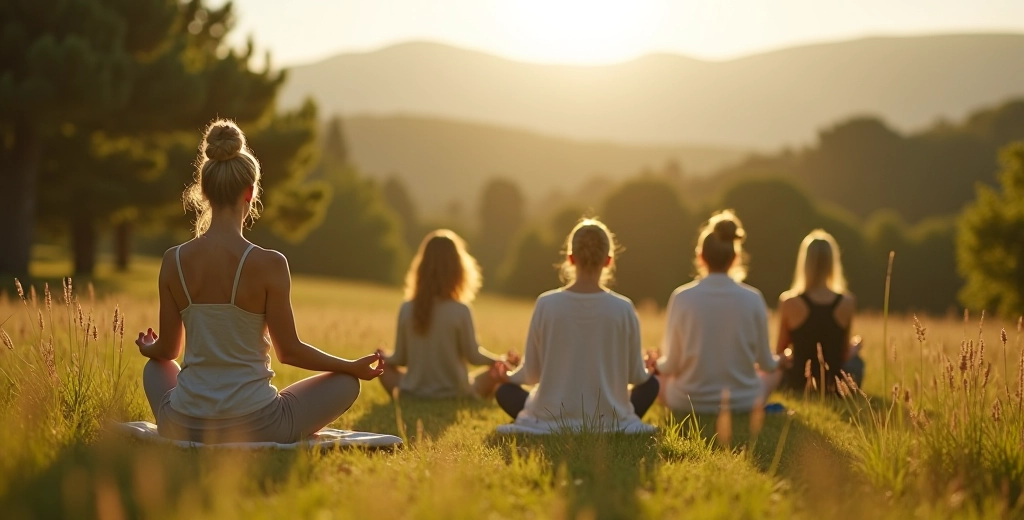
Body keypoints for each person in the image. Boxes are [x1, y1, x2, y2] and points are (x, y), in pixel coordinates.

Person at [136, 120, 384, 444]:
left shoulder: (173, 261)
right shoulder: (270, 264)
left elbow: (169, 349)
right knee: (346, 384)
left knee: (156, 367)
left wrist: (147, 348)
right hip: (259, 424)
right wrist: (351, 366)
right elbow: (290, 351)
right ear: (250, 193)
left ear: (205, 192)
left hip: (183, 423)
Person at [491, 219, 659, 433]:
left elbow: (531, 374)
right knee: (652, 384)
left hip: (551, 416)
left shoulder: (546, 303)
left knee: (504, 391)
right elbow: (636, 376)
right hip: (609, 417)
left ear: (570, 259)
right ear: (608, 261)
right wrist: (648, 369)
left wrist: (508, 376)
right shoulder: (624, 308)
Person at [652, 210, 783, 414]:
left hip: (687, 402)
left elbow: (670, 366)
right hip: (744, 402)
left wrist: (654, 364)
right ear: (735, 257)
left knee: (657, 378)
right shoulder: (754, 298)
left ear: (701, 256)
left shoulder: (681, 297)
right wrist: (782, 360)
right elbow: (767, 364)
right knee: (777, 372)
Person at [376, 230, 518, 398]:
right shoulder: (460, 310)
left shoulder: (407, 308)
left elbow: (400, 358)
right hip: (456, 392)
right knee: (494, 373)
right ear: (458, 269)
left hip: (412, 392)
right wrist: (502, 360)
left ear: (421, 266)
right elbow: (474, 356)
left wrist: (382, 355)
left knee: (383, 369)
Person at [776, 230, 863, 393]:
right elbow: (843, 354)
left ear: (805, 262)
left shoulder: (789, 301)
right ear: (832, 262)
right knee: (857, 362)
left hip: (797, 383)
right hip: (833, 385)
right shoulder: (847, 302)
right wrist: (855, 347)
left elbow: (780, 352)